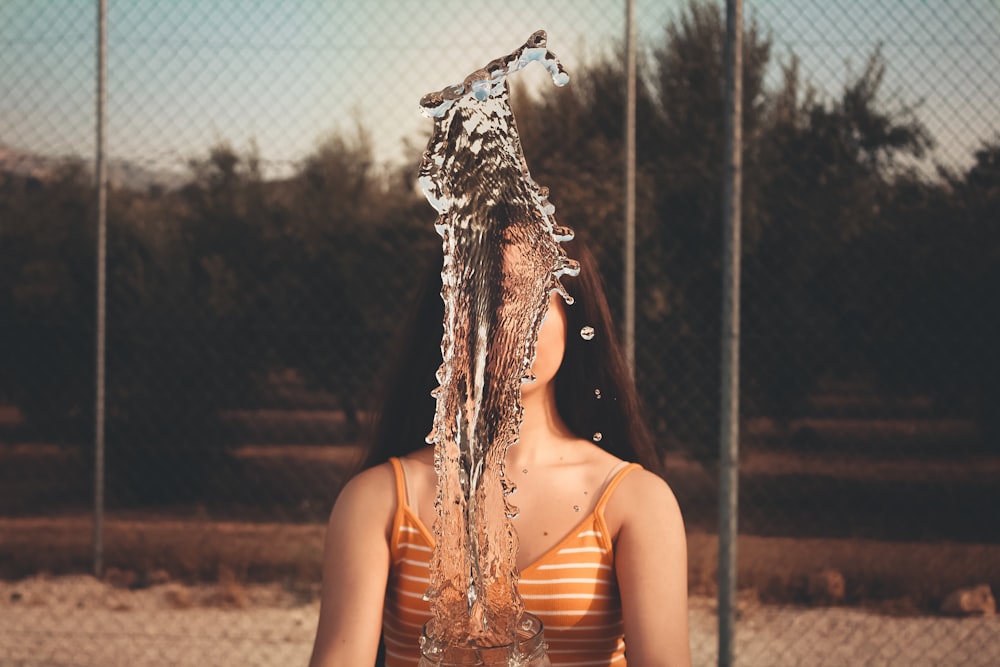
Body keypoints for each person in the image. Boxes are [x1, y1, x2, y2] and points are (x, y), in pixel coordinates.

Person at [308, 238, 691, 667]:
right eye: (475, 295)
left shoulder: (635, 500)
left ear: (572, 314)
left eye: (524, 293)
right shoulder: (380, 499)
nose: (502, 320)